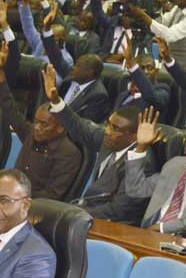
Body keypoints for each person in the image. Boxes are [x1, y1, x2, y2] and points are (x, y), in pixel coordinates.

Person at [43, 64, 154, 223]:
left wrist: (75, 213)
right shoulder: (109, 140)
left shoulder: (142, 164)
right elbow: (79, 125)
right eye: (108, 124)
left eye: (115, 129)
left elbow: (120, 210)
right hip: (88, 213)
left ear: (133, 136)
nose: (108, 131)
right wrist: (55, 100)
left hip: (113, 225)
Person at [0, 42, 82, 199]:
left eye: (44, 124)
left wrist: (15, 197)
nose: (37, 127)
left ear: (60, 128)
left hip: (32, 205)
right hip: (9, 195)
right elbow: (9, 107)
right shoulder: (30, 133)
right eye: (36, 122)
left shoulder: (69, 153)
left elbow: (52, 195)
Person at [41, 3, 111, 123]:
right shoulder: (71, 75)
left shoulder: (98, 96)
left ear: (90, 72)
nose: (73, 68)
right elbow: (55, 57)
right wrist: (47, 29)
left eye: (78, 66)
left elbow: (82, 126)